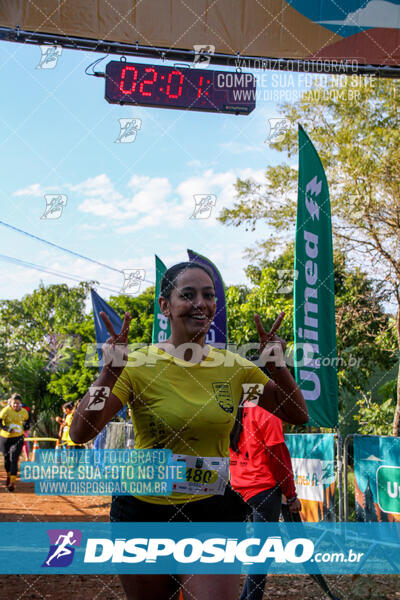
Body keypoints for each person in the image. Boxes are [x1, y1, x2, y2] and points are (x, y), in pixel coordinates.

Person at [70, 262, 308, 600]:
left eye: (209, 295)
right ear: (165, 305)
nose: (201, 303)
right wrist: (109, 373)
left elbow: (295, 413)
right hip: (143, 512)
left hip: (212, 511)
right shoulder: (137, 365)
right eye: (188, 295)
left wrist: (278, 367)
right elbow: (81, 431)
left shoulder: (234, 368)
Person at [230, 400, 301, 600]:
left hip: (236, 487)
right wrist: (292, 494)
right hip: (263, 491)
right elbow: (278, 456)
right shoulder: (267, 410)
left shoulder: (234, 407)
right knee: (263, 554)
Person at [0, 393, 30, 491]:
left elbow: (27, 421)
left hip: (18, 438)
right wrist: (7, 429)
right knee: (6, 459)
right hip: (5, 438)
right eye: (14, 403)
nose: (16, 405)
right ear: (11, 403)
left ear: (20, 403)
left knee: (14, 457)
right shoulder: (5, 411)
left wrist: (26, 426)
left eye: (18, 403)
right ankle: (9, 475)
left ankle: (12, 483)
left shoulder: (24, 412)